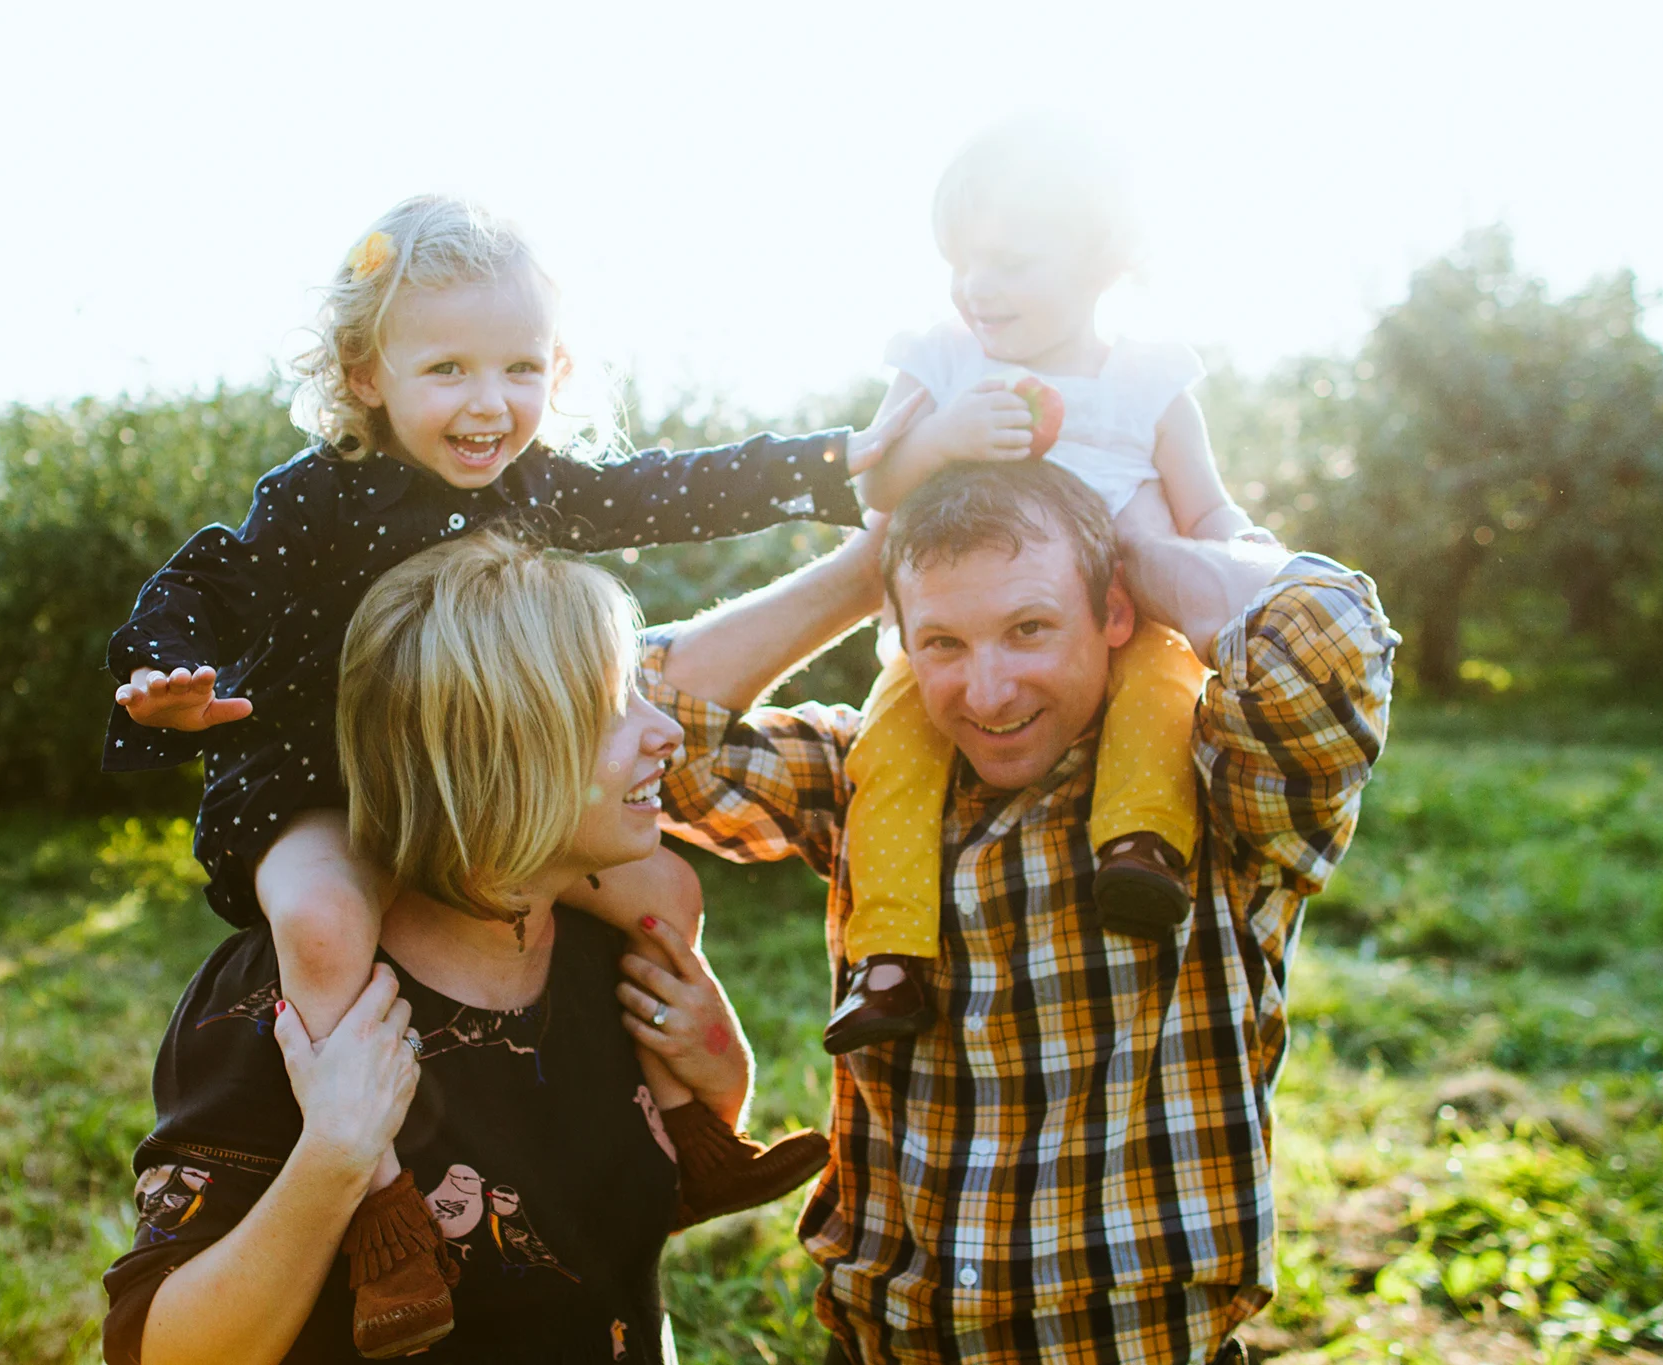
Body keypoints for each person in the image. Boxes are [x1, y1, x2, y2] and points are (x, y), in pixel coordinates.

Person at [99, 196, 920, 1336]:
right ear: (365, 373)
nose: (489, 404)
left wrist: (838, 467)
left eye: (520, 368)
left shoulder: (534, 489)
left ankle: (702, 1141)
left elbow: (671, 490)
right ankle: (386, 1212)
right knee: (328, 925)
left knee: (666, 889)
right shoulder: (313, 501)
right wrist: (166, 675)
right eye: (446, 368)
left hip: (472, 802)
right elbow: (205, 590)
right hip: (310, 788)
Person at [642, 460, 1398, 1362]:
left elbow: (1329, 638)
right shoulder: (869, 781)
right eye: (945, 644)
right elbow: (646, 723)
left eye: (1029, 627)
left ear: (1114, 613)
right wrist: (866, 565)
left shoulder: (1224, 780)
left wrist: (1142, 550)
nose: (988, 692)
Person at [104, 532, 817, 1363]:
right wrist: (334, 1154)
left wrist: (723, 1087)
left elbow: (582, 1237)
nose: (665, 733)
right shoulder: (292, 1006)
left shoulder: (602, 951)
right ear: (500, 747)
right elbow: (162, 1351)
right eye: (616, 704)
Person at [827, 115, 1264, 1054]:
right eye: (960, 263)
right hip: (962, 625)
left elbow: (1210, 513)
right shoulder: (945, 359)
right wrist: (941, 440)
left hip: (1125, 622)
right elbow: (872, 479)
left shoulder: (1149, 378)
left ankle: (1141, 850)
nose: (976, 288)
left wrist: (1255, 569)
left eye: (1008, 263)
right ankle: (892, 953)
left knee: (1164, 692)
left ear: (1105, 261)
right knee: (893, 748)